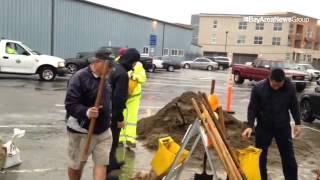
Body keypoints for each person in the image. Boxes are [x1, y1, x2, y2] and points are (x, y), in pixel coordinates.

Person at [242, 68, 302, 180]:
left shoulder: (290, 87)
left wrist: (298, 123)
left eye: (279, 85)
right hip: (264, 126)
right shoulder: (259, 88)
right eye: (274, 85)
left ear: (283, 81)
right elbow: (252, 108)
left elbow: (294, 105)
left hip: (282, 126)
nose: (276, 88)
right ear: (269, 79)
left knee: (288, 156)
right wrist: (250, 126)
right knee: (260, 156)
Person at [65, 49, 114, 180]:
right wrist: (87, 112)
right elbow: (70, 104)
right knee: (76, 165)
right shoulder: (79, 78)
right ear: (98, 62)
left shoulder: (106, 78)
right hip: (82, 131)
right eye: (108, 66)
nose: (111, 70)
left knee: (102, 163)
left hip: (103, 131)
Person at [108, 48, 140, 173]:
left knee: (110, 140)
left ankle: (112, 162)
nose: (134, 65)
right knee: (113, 140)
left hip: (107, 109)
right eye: (134, 62)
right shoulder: (122, 74)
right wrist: (120, 118)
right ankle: (110, 165)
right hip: (114, 112)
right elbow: (119, 98)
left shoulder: (115, 68)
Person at [119, 61, 147, 148]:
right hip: (121, 95)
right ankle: (120, 138)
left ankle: (130, 139)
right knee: (120, 117)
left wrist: (133, 76)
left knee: (131, 118)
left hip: (134, 96)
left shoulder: (138, 65)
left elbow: (143, 78)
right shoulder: (118, 62)